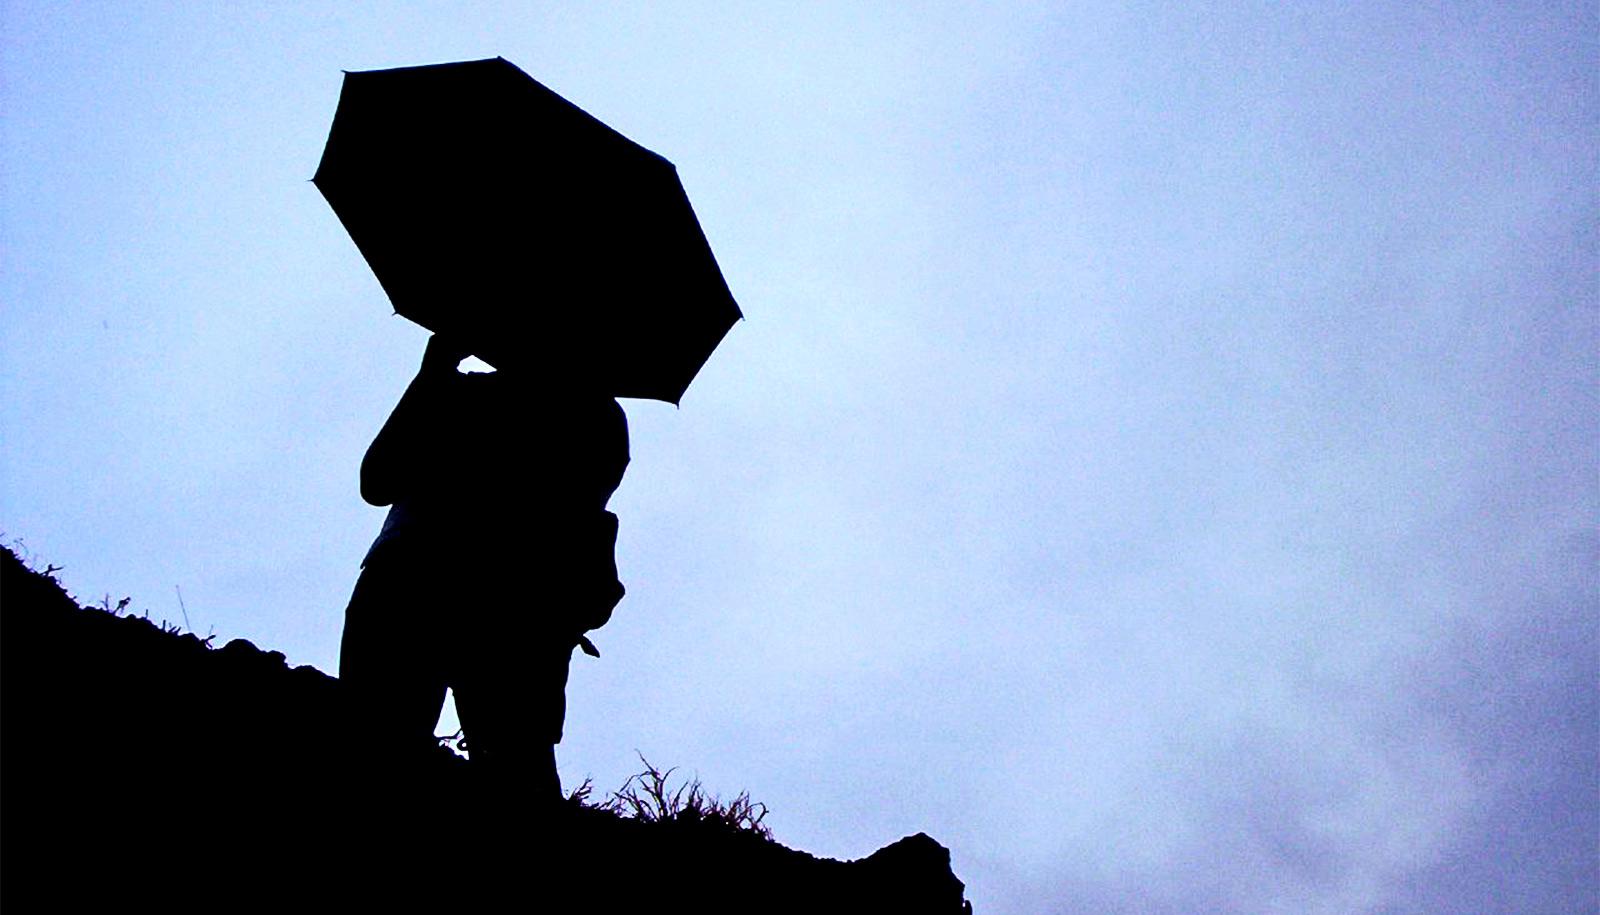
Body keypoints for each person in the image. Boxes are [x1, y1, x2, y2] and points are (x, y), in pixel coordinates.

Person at [340, 332, 628, 806]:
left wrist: (434, 377)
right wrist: (434, 378)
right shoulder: (597, 416)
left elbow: (379, 480)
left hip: (438, 591)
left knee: (379, 758)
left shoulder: (578, 414)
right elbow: (378, 480)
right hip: (495, 608)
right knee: (510, 775)